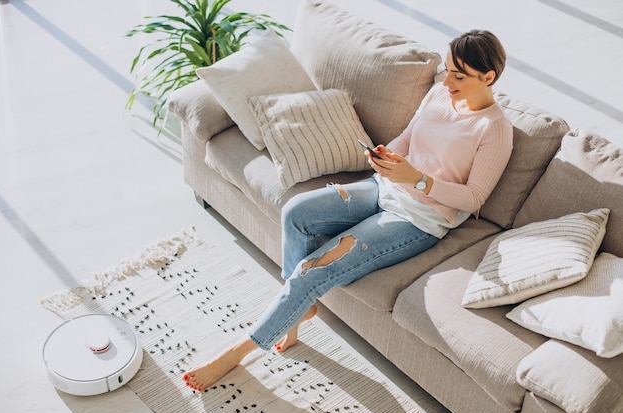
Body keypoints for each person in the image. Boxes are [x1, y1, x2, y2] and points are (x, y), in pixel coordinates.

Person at [183, 29, 513, 391]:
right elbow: (409, 136)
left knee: (311, 271)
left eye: (458, 75)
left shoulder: (494, 128)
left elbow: (475, 198)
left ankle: (238, 352)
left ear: (488, 77)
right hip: (382, 187)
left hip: (417, 219)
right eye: (448, 69)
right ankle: (300, 309)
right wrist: (387, 156)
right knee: (296, 211)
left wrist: (419, 179)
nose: (446, 80)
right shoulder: (437, 93)